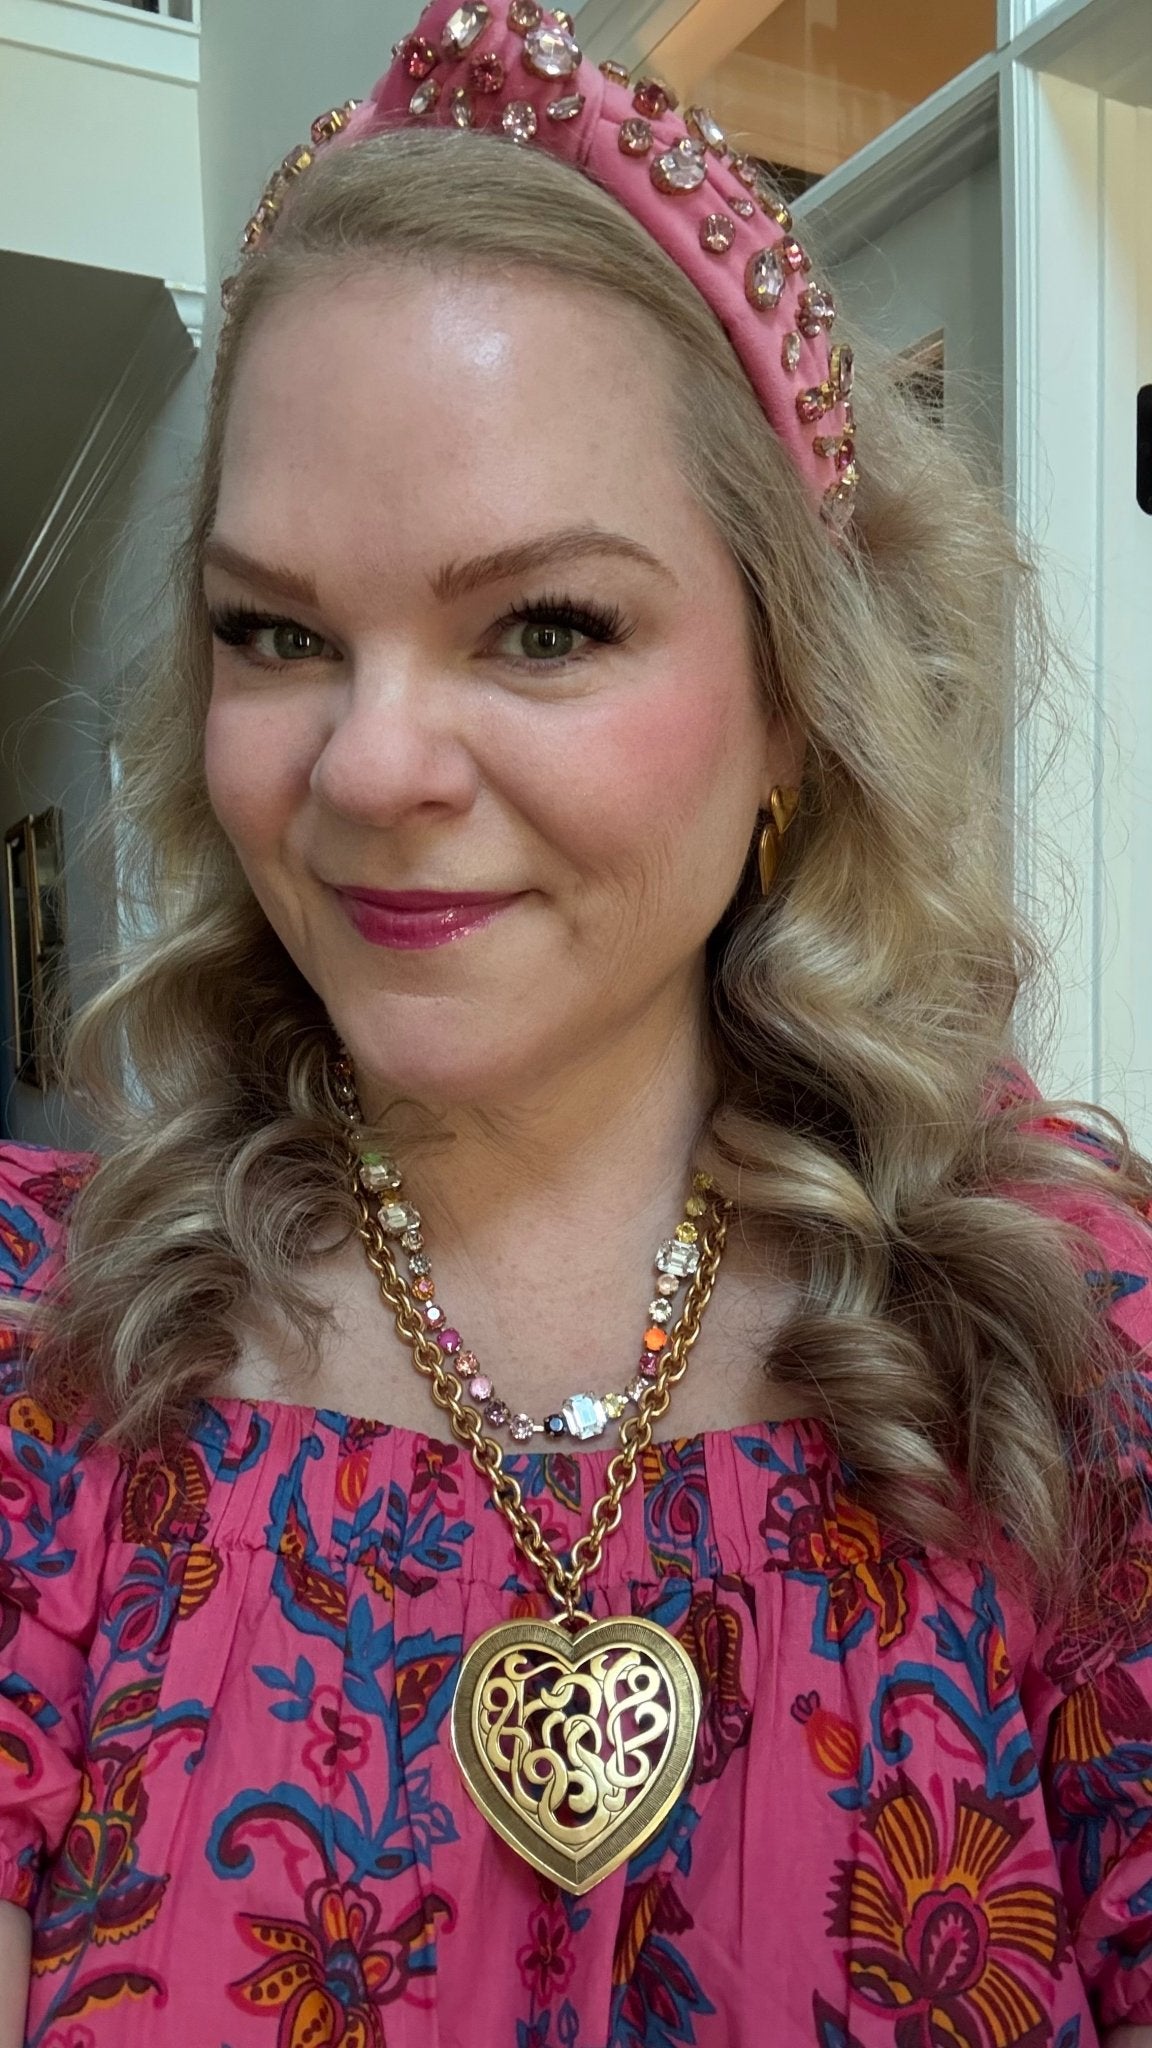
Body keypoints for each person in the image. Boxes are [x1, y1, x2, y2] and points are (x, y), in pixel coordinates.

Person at [4, 2, 1152, 2041]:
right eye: (276, 632)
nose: (368, 764)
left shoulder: (1069, 1342)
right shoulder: (49, 1358)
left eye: (545, 625)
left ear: (796, 685)